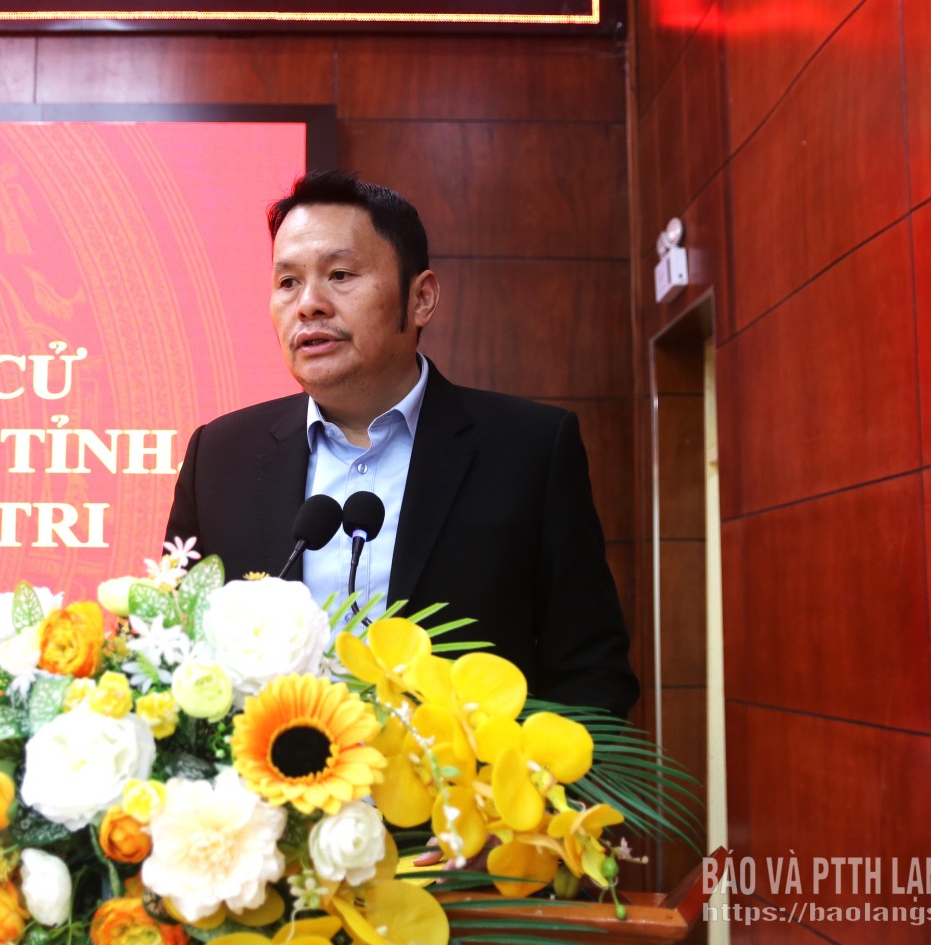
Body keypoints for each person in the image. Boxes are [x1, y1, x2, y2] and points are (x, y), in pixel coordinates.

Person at [165, 170, 639, 717]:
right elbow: (169, 649)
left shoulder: (529, 451)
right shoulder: (220, 457)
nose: (309, 304)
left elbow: (590, 672)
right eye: (288, 282)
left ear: (420, 299)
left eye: (340, 274)